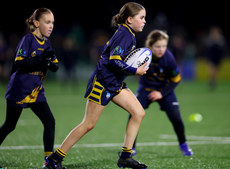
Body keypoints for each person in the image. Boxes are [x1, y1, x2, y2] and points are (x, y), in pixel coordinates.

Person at [43, 2, 148, 169]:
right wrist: (135, 70)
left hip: (114, 82)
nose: (144, 21)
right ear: (129, 19)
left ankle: (125, 157)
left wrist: (132, 70)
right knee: (88, 124)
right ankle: (54, 159)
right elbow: (115, 60)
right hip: (103, 82)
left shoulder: (128, 33)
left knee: (138, 113)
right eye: (141, 17)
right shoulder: (125, 34)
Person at [0, 8, 58, 166]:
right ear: (36, 23)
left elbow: (54, 65)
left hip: (36, 91)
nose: (51, 26)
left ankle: (49, 161)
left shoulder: (47, 42)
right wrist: (42, 59)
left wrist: (51, 63)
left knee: (49, 122)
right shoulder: (28, 39)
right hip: (19, 89)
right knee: (9, 125)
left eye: (52, 22)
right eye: (47, 22)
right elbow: (19, 62)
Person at [127, 30, 193, 157]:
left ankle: (183, 144)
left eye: (164, 46)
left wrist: (161, 93)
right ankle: (130, 147)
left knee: (176, 117)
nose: (161, 49)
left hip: (164, 89)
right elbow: (131, 71)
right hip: (145, 89)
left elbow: (176, 80)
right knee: (134, 114)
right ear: (150, 46)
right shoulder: (142, 56)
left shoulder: (168, 58)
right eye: (157, 46)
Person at [205, 26, 226, 90]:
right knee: (211, 70)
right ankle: (211, 82)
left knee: (216, 71)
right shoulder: (210, 38)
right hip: (212, 57)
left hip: (218, 57)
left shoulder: (221, 38)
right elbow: (208, 46)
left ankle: (213, 83)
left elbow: (222, 47)